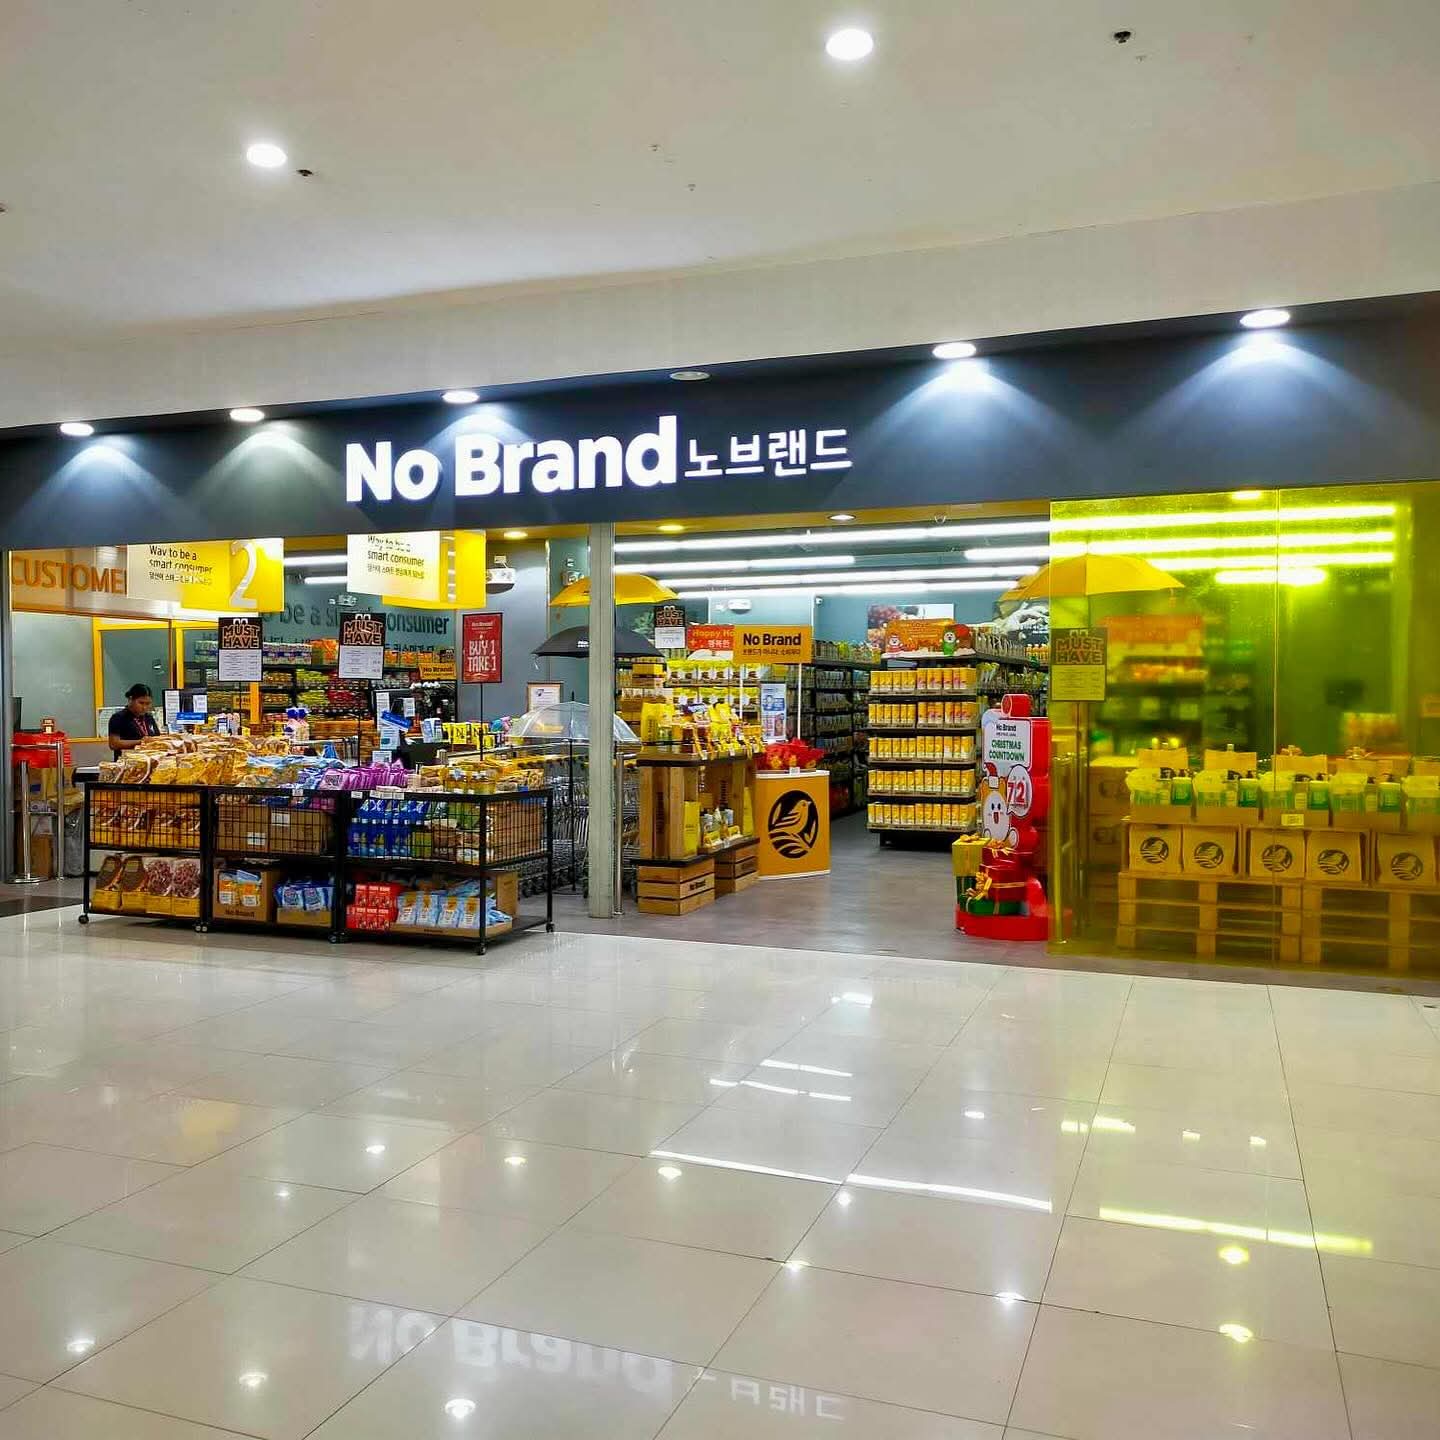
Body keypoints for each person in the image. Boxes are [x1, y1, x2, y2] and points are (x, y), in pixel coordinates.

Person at [108, 683, 161, 755]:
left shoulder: (149, 718)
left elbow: (156, 738)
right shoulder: (118, 718)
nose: (144, 707)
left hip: (149, 759)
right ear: (130, 699)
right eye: (141, 703)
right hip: (127, 761)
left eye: (148, 703)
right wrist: (141, 742)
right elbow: (113, 744)